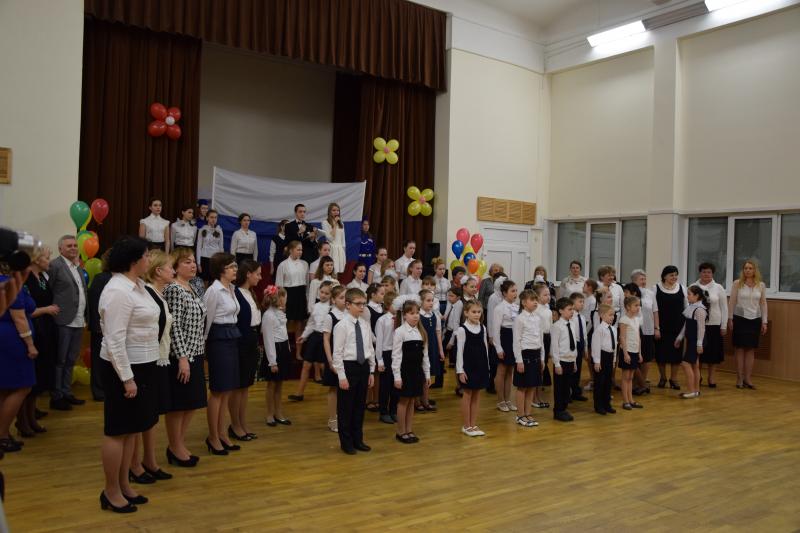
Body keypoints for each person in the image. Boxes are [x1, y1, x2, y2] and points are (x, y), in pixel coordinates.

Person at [97, 236, 159, 513]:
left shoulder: (139, 286)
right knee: (118, 430)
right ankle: (110, 490)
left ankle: (124, 483)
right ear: (134, 261)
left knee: (133, 428)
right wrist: (126, 377)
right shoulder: (118, 290)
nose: (150, 260)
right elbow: (114, 340)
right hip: (123, 368)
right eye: (146, 255)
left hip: (143, 363)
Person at [128, 250, 175, 484]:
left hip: (159, 358)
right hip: (147, 360)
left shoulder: (158, 294)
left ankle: (150, 460)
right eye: (170, 267)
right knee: (141, 416)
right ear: (158, 271)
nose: (173, 271)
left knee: (152, 415)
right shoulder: (147, 293)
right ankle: (134, 464)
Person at [162, 248, 207, 467]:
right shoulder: (174, 289)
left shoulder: (193, 287)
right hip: (182, 356)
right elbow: (175, 326)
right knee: (179, 404)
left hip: (196, 353)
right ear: (176, 266)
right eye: (187, 262)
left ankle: (178, 443)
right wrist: (182, 358)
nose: (193, 265)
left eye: (193, 261)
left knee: (192, 402)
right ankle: (175, 446)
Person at [203, 252, 242, 456]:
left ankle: (222, 433)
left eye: (235, 266)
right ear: (221, 270)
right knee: (218, 390)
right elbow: (207, 320)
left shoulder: (232, 288)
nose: (235, 269)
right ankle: (213, 436)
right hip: (218, 339)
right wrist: (204, 345)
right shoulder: (214, 291)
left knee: (227, 390)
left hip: (231, 337)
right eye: (231, 267)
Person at [18, 247, 59, 435]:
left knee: (40, 374)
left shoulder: (41, 277)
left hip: (46, 329)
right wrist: (46, 310)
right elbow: (23, 310)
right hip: (33, 328)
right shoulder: (25, 279)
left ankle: (31, 415)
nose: (49, 261)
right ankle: (22, 420)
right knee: (29, 378)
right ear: (35, 260)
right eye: (46, 258)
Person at [332, 288, 375, 454]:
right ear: (348, 304)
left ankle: (358, 439)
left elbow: (369, 348)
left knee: (359, 406)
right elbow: (337, 353)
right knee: (346, 407)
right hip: (348, 367)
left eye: (364, 304)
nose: (362, 307)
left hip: (363, 367)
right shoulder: (341, 326)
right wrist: (341, 376)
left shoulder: (364, 324)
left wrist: (371, 371)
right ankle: (346, 442)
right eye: (358, 304)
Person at [0, 264, 37, 452]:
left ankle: (4, 433)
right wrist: (30, 344)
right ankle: (2, 435)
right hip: (12, 341)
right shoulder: (10, 283)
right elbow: (19, 318)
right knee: (23, 386)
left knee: (4, 388)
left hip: (4, 339)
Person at [48, 235, 88, 410]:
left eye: (75, 245)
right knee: (60, 360)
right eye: (69, 246)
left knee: (71, 359)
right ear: (60, 249)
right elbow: (48, 290)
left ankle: (67, 392)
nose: (73, 248)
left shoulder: (77, 266)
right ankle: (57, 396)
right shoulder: (55, 265)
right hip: (63, 320)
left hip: (79, 320)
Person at [230, 260, 262, 441]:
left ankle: (242, 422)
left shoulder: (250, 293)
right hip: (241, 342)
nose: (260, 277)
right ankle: (235, 425)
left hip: (251, 340)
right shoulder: (235, 292)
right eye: (258, 273)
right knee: (238, 387)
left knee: (245, 387)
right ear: (248, 273)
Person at [289, 281, 333, 404]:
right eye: (322, 292)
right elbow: (311, 324)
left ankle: (334, 391)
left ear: (331, 295)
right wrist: (304, 336)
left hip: (326, 338)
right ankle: (299, 393)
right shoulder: (316, 306)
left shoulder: (332, 308)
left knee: (325, 366)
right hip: (314, 338)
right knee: (306, 365)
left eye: (327, 293)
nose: (323, 295)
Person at [392, 297, 429, 444]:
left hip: (416, 372)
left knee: (412, 400)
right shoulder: (400, 332)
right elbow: (396, 356)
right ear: (404, 315)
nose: (415, 316)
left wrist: (427, 374)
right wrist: (397, 376)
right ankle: (401, 431)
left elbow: (425, 356)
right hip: (405, 372)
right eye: (411, 313)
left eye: (417, 313)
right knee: (404, 401)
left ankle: (409, 429)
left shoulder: (421, 332)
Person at [728, 259, 768, 389]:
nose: (748, 270)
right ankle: (739, 378)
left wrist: (764, 321)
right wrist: (730, 318)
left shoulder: (761, 285)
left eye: (750, 268)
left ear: (755, 270)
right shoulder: (737, 283)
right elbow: (732, 302)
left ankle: (748, 379)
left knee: (751, 349)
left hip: (755, 320)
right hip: (740, 318)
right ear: (743, 270)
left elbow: (763, 303)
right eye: (745, 268)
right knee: (739, 349)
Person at [456, 300, 490, 436]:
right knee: (468, 394)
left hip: (481, 365)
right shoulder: (462, 330)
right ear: (466, 313)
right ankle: (466, 426)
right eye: (473, 312)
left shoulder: (483, 328)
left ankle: (473, 424)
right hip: (468, 367)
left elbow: (485, 348)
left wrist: (487, 366)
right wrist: (460, 371)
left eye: (479, 312)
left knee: (477, 395)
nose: (477, 314)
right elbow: (459, 351)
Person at [692, 263, 727, 388]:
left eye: (709, 272)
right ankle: (698, 376)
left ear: (712, 273)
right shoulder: (693, 286)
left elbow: (724, 307)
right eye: (704, 272)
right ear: (700, 273)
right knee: (699, 352)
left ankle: (711, 378)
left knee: (713, 353)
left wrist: (724, 325)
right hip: (698, 324)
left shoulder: (718, 287)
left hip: (714, 324)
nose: (706, 274)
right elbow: (689, 306)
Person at [261, 286, 291, 427]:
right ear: (277, 298)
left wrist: (288, 349)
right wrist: (272, 361)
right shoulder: (269, 315)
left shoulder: (280, 312)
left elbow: (284, 333)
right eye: (284, 296)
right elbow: (268, 339)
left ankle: (278, 413)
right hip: (274, 352)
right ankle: (269, 414)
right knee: (272, 384)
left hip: (283, 349)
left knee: (280, 384)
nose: (286, 299)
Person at [512, 289, 543, 428]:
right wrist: (519, 360)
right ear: (524, 303)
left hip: (536, 354)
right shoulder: (520, 319)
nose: (535, 302)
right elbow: (516, 341)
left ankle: (528, 413)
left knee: (532, 386)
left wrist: (542, 358)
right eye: (532, 300)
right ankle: (520, 415)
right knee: (522, 387)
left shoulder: (538, 318)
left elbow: (540, 339)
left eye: (536, 299)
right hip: (524, 355)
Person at [653, 265, 687, 390]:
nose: (674, 277)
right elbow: (654, 309)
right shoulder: (655, 288)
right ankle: (663, 378)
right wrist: (656, 328)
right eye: (671, 275)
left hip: (677, 327)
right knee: (661, 354)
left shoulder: (682, 288)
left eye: (676, 275)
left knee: (676, 355)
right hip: (662, 327)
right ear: (664, 276)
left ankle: (674, 379)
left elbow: (687, 308)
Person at [274, 241, 309, 358]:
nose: (300, 252)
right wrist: (281, 302)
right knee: (285, 323)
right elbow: (279, 286)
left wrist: (307, 299)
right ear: (291, 250)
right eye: (298, 249)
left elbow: (307, 284)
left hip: (300, 295)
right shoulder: (282, 265)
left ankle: (298, 353)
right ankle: (286, 351)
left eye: (301, 249)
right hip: (288, 295)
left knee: (299, 325)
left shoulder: (305, 264)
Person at [88, 250, 113, 402]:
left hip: (114, 326)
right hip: (100, 327)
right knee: (98, 360)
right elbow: (94, 302)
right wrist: (97, 325)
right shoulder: (101, 278)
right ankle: (98, 390)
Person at [322, 285, 347, 433]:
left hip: (346, 356)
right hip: (334, 356)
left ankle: (343, 417)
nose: (344, 300)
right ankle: (332, 419)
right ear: (333, 300)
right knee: (334, 388)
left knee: (344, 388)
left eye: (345, 297)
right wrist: (331, 361)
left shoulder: (348, 315)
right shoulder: (330, 317)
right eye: (341, 298)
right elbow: (326, 339)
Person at [676, 285, 708, 399]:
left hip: (696, 341)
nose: (687, 296)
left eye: (689, 294)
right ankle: (696, 390)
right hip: (691, 340)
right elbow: (687, 325)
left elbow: (701, 328)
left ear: (696, 296)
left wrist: (699, 344)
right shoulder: (692, 307)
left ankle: (691, 390)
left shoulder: (700, 310)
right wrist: (679, 337)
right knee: (695, 365)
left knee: (685, 364)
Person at [491, 279, 518, 413]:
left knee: (510, 371)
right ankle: (500, 400)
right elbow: (495, 330)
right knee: (501, 371)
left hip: (514, 339)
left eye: (516, 291)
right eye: (512, 291)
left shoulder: (517, 307)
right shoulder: (499, 308)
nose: (515, 293)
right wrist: (498, 348)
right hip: (504, 338)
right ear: (504, 293)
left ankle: (508, 399)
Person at [551, 297, 578, 422]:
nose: (572, 312)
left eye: (572, 309)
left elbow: (573, 343)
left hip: (570, 360)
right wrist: (557, 364)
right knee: (560, 388)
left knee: (567, 387)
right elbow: (555, 346)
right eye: (569, 309)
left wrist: (574, 361)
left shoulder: (572, 324)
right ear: (561, 311)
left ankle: (564, 408)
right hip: (561, 361)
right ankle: (558, 410)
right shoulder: (557, 326)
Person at [418, 290, 444, 411]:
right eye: (428, 300)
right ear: (421, 302)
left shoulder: (435, 316)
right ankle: (417, 401)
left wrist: (440, 350)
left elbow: (438, 333)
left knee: (427, 374)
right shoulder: (418, 315)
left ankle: (425, 399)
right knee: (420, 374)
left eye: (432, 300)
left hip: (432, 346)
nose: (431, 303)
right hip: (421, 347)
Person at [376, 291, 399, 424]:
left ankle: (393, 410)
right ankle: (383, 411)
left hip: (397, 353)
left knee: (396, 383)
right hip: (386, 353)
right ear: (388, 305)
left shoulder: (401, 319)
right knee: (385, 385)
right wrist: (379, 360)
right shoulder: (382, 320)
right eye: (395, 304)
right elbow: (379, 342)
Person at [631, 270, 655, 395]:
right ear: (634, 280)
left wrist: (657, 327)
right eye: (641, 279)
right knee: (635, 357)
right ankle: (638, 383)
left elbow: (655, 311)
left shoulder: (650, 293)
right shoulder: (631, 293)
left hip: (648, 329)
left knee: (647, 356)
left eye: (645, 279)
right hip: (634, 329)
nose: (644, 281)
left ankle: (641, 382)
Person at [591, 304, 617, 415]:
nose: (612, 317)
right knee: (600, 382)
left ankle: (607, 404)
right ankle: (599, 405)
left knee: (608, 382)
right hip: (601, 357)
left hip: (610, 357)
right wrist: (597, 361)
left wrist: (614, 359)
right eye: (610, 315)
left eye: (613, 315)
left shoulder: (613, 329)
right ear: (601, 315)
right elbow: (595, 346)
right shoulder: (599, 330)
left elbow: (614, 345)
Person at [618, 296, 643, 410]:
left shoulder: (636, 319)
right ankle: (625, 401)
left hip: (635, 351)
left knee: (631, 377)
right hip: (627, 351)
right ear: (628, 307)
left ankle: (631, 400)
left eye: (639, 305)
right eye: (636, 305)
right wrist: (625, 353)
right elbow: (622, 338)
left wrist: (639, 353)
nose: (638, 307)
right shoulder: (624, 320)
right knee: (625, 377)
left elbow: (638, 337)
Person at [569, 292, 590, 402]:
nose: (582, 304)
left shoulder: (582, 317)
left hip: (581, 344)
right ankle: (568, 393)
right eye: (580, 302)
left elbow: (585, 334)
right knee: (571, 370)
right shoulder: (571, 317)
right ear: (572, 303)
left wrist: (585, 348)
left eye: (583, 302)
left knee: (578, 370)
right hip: (573, 345)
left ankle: (576, 391)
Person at [533, 284, 553, 391]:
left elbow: (550, 325)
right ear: (537, 296)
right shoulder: (536, 309)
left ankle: (541, 381)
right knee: (540, 361)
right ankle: (537, 383)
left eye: (549, 294)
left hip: (547, 336)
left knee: (544, 360)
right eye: (545, 295)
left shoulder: (548, 309)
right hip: (538, 337)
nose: (548, 297)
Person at [317, 203, 346, 274]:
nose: (336, 212)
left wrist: (343, 252)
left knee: (340, 272)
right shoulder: (325, 222)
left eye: (337, 210)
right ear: (329, 211)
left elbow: (343, 241)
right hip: (331, 249)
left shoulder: (341, 223)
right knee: (331, 271)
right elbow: (330, 238)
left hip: (340, 251)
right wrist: (335, 224)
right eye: (334, 210)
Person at [196, 210, 224, 283]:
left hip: (215, 259)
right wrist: (198, 263)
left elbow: (221, 247)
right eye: (211, 217)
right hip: (204, 257)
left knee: (214, 281)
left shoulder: (219, 230)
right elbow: (199, 247)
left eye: (215, 217)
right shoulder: (202, 230)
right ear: (207, 218)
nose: (213, 219)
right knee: (205, 281)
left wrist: (221, 262)